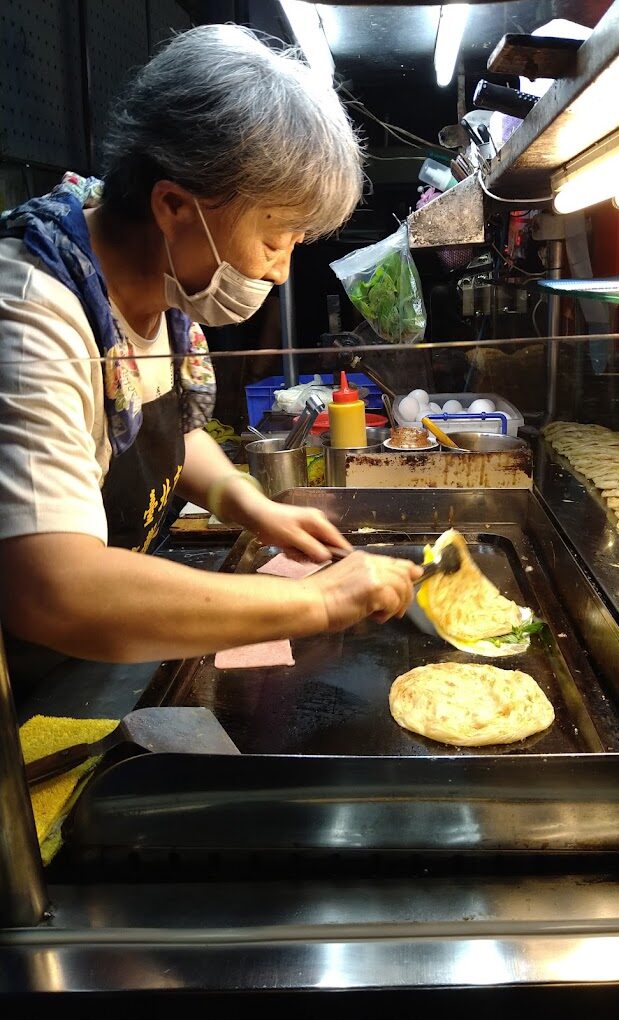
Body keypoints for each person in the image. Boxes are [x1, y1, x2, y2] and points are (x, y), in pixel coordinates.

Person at [0, 25, 421, 707]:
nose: (279, 272)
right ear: (172, 205)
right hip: (24, 685)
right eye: (274, 239)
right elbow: (56, 589)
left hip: (86, 658)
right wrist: (316, 603)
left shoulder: (158, 285)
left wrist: (246, 504)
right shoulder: (32, 316)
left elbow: (158, 424)